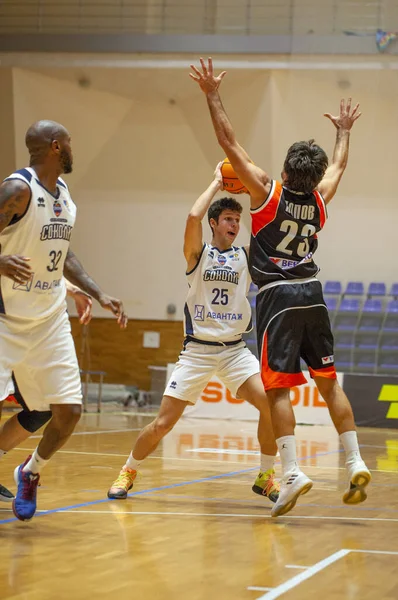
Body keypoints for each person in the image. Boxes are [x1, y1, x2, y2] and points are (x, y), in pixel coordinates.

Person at [189, 58, 371, 517]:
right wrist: (344, 131)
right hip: (315, 295)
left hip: (279, 300)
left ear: (287, 173)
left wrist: (212, 93)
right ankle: (353, 460)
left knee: (277, 392)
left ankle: (290, 473)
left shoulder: (268, 193)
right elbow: (340, 168)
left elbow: (228, 141)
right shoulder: (320, 200)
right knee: (328, 384)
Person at [107, 163, 279, 502]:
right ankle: (127, 471)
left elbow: (269, 226)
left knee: (272, 406)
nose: (234, 224)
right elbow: (191, 218)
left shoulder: (247, 257)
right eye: (228, 219)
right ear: (215, 223)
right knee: (162, 424)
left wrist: (256, 189)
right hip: (197, 351)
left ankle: (266, 476)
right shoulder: (197, 256)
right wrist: (217, 183)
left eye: (237, 219)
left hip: (234, 351)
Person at [0, 120, 128, 521]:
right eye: (69, 142)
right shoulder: (18, 189)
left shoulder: (64, 195)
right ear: (56, 146)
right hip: (7, 318)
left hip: (48, 317)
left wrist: (96, 291)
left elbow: (63, 253)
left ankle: (30, 471)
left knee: (69, 412)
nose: (73, 147)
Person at [0, 279, 93, 502]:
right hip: (7, 319)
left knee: (42, 409)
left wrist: (72, 289)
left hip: (31, 326)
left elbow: (44, 261)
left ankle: (29, 471)